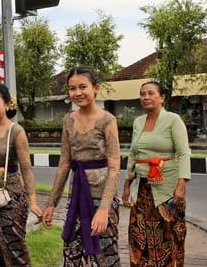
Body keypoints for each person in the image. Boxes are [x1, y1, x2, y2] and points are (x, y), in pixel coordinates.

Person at [42, 66, 121, 267]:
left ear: (95, 88)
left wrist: (104, 210)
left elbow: (114, 168)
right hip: (76, 196)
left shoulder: (107, 120)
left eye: (82, 87)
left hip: (102, 197)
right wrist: (51, 203)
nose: (77, 93)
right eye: (72, 88)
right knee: (72, 250)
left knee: (104, 252)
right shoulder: (68, 120)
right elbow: (64, 164)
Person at [122, 80, 191, 267]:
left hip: (167, 189)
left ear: (162, 98)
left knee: (169, 235)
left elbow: (184, 153)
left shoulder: (173, 120)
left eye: (151, 93)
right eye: (142, 94)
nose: (146, 97)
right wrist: (127, 185)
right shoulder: (138, 122)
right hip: (142, 188)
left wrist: (181, 185)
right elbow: (133, 154)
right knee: (139, 235)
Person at [0, 84, 42, 266]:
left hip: (11, 196)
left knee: (14, 247)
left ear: (6, 104)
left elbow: (26, 168)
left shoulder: (16, 131)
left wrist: (33, 201)